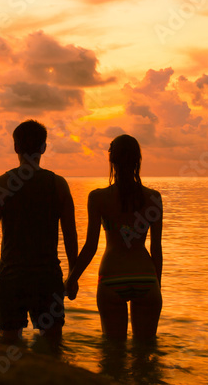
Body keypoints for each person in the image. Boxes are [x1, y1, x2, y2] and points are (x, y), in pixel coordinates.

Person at [0, 120, 78, 343]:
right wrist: (73, 275)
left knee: (8, 344)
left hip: (12, 276)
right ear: (43, 147)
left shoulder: (0, 185)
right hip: (47, 276)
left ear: (15, 147)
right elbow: (70, 235)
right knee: (52, 345)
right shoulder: (58, 185)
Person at [64, 134, 163, 341]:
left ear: (111, 160)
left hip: (112, 277)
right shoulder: (153, 198)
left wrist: (72, 278)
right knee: (145, 354)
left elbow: (91, 247)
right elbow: (156, 249)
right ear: (138, 161)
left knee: (113, 354)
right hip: (146, 276)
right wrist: (157, 286)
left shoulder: (98, 198)